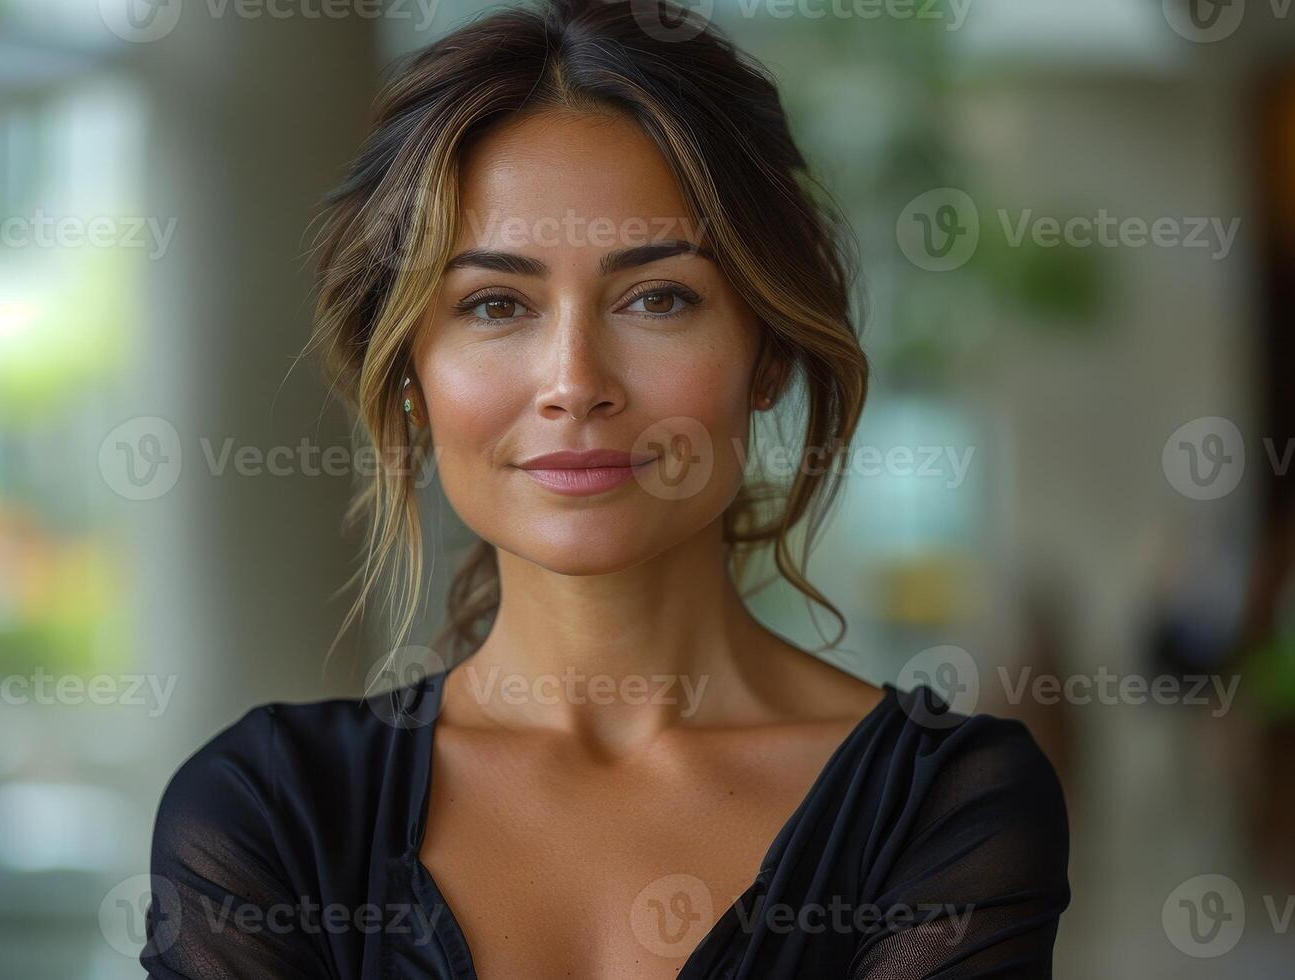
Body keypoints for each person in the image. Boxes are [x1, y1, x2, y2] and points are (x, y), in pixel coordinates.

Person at [139, 1, 1069, 976]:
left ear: (767, 351)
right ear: (409, 371)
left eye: (657, 296)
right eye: (496, 304)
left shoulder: (944, 802)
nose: (576, 381)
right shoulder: (268, 813)